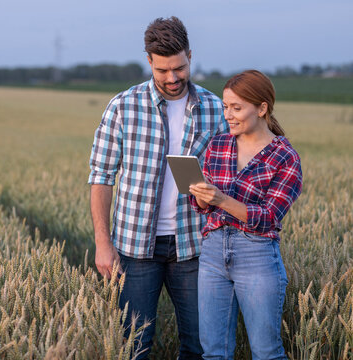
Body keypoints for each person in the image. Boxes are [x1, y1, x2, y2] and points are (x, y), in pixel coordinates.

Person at [88, 16, 228, 359]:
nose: (172, 78)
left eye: (179, 68)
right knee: (134, 347)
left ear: (190, 56)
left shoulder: (214, 108)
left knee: (200, 345)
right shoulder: (123, 106)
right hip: (135, 249)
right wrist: (103, 244)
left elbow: (232, 173)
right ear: (149, 61)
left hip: (195, 246)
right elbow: (101, 177)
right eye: (163, 70)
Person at [189, 70, 303, 359]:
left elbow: (268, 217)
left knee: (266, 352)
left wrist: (222, 199)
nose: (228, 115)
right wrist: (202, 199)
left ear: (262, 108)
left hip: (257, 255)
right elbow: (203, 205)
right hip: (213, 252)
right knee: (213, 353)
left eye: (237, 108)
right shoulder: (218, 145)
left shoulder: (285, 157)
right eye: (226, 106)